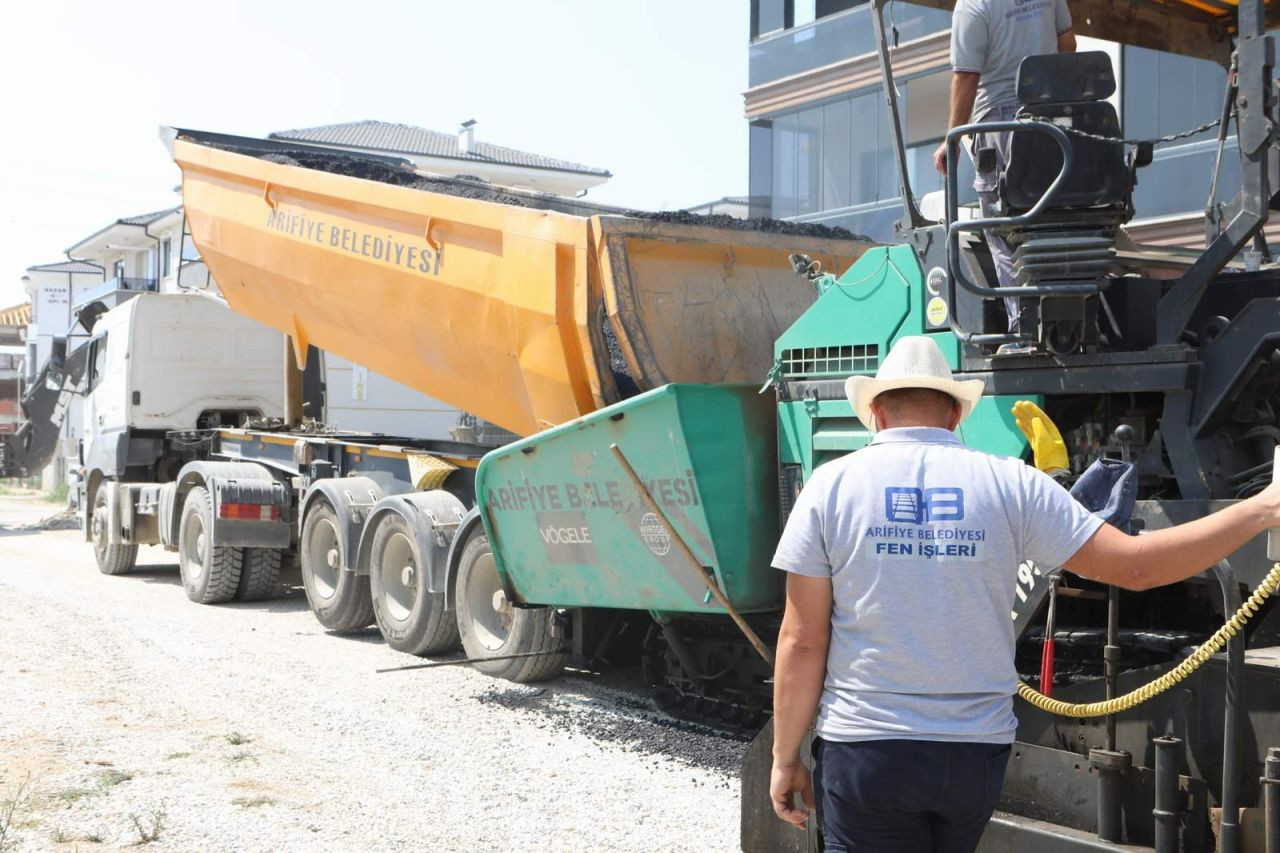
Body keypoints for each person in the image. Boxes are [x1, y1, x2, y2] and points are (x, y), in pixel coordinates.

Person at [768, 335, 1280, 852]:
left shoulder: (829, 487)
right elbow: (1138, 567)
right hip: (974, 753)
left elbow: (802, 640)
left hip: (868, 750)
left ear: (875, 413)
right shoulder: (1012, 483)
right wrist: (1263, 507)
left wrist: (785, 759)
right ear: (953, 417)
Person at [933, 0, 1077, 353]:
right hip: (1048, 118)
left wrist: (951, 140)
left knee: (1003, 228)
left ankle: (1024, 332)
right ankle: (1065, 322)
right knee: (1050, 220)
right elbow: (1068, 44)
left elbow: (967, 76)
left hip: (1000, 124)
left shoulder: (973, 7)